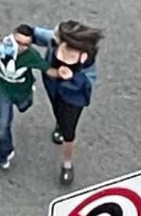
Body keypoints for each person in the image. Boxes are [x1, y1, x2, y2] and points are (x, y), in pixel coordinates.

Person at [0, 24, 71, 170]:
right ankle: (4, 153)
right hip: (4, 91)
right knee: (2, 124)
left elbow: (47, 69)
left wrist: (60, 73)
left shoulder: (31, 56)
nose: (20, 47)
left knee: (24, 106)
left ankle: (28, 98)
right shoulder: (4, 46)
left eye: (26, 44)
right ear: (12, 36)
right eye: (18, 42)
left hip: (22, 91)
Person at [33, 21, 103, 185]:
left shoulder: (86, 58)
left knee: (69, 131)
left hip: (74, 96)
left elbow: (88, 81)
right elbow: (36, 34)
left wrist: (71, 76)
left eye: (57, 33)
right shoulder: (55, 42)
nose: (53, 34)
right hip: (54, 87)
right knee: (58, 112)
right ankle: (59, 124)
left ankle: (67, 164)